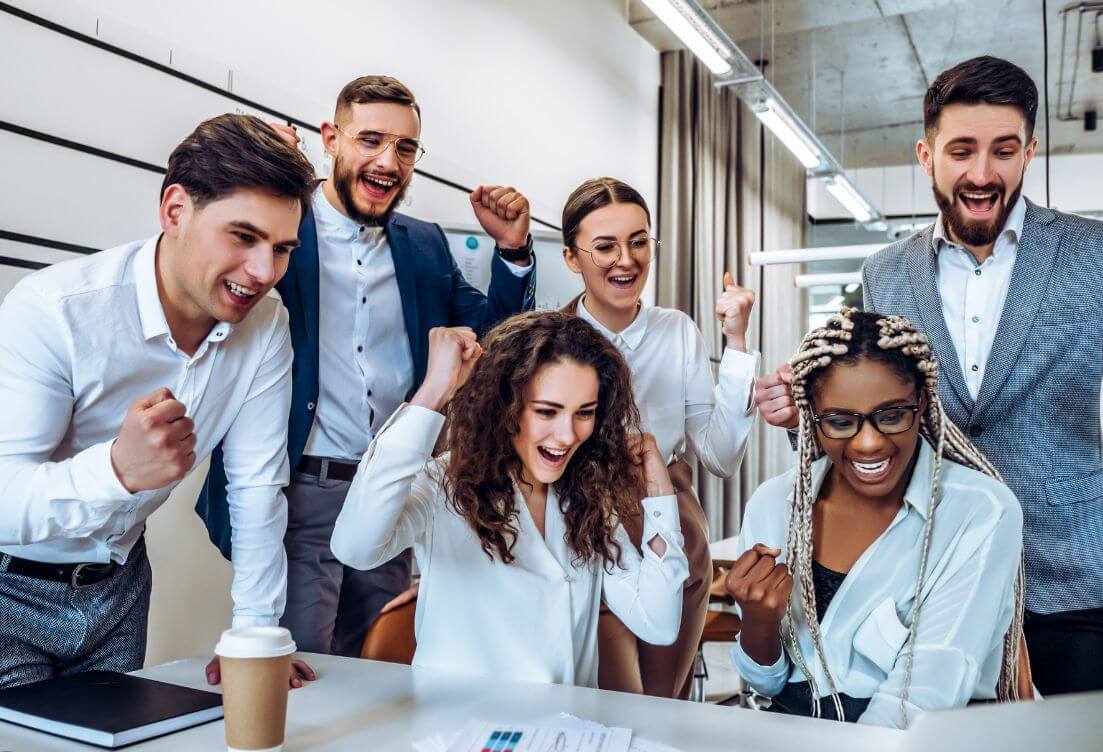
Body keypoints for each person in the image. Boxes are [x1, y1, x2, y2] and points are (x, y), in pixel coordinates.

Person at [755, 56, 1103, 696]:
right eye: (961, 150)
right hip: (934, 576)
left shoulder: (1101, 252)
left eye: (1004, 150)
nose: (983, 173)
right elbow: (882, 413)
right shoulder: (887, 272)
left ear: (1029, 152)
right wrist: (804, 420)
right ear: (926, 155)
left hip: (1064, 580)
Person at [197, 75, 536, 658]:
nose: (388, 161)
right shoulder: (281, 227)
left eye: (405, 148)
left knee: (381, 658)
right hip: (301, 486)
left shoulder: (424, 244)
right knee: (300, 661)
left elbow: (495, 340)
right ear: (331, 139)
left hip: (394, 488)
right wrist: (252, 176)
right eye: (371, 140)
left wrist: (512, 252)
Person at [0, 114, 317, 688]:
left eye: (282, 248)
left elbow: (255, 487)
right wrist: (117, 471)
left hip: (120, 590)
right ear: (175, 211)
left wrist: (255, 633)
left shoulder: (268, 326)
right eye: (243, 237)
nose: (264, 272)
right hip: (8, 590)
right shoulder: (55, 311)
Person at [330, 313, 687, 686]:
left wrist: (660, 494)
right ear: (505, 406)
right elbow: (355, 547)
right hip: (461, 729)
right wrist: (433, 391)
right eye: (547, 411)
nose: (566, 435)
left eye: (584, 413)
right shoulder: (443, 482)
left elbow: (659, 623)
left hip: (565, 733)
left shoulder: (586, 498)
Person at [731, 309, 1023, 728]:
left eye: (890, 416)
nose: (868, 443)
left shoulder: (980, 511)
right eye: (840, 421)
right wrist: (759, 622)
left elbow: (923, 696)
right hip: (794, 738)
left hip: (911, 749)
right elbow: (768, 684)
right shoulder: (774, 503)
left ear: (922, 402)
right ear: (811, 414)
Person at [560, 177, 758, 698]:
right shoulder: (548, 338)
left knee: (662, 699)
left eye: (639, 241)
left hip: (667, 515)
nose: (626, 260)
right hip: (580, 524)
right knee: (608, 700)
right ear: (571, 257)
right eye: (605, 246)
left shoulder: (677, 330)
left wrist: (735, 343)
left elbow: (719, 456)